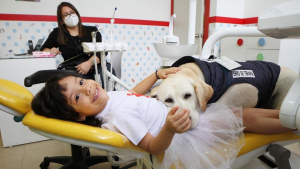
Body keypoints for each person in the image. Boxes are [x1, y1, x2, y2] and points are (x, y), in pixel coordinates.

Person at [31, 68, 294, 169]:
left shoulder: (108, 98)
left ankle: (290, 116)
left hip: (181, 123)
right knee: (243, 118)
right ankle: (293, 126)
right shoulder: (117, 116)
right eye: (78, 97)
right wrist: (169, 127)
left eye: (80, 81)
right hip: (184, 134)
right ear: (78, 115)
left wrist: (158, 74)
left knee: (242, 115)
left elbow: (133, 93)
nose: (87, 87)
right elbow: (153, 148)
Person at [41, 2, 115, 88]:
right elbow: (43, 49)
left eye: (72, 12)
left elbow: (101, 52)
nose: (70, 15)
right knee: (83, 88)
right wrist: (50, 51)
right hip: (74, 70)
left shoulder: (93, 31)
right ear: (62, 20)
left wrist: (89, 63)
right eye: (66, 14)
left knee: (106, 81)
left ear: (77, 14)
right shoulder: (57, 33)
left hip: (96, 66)